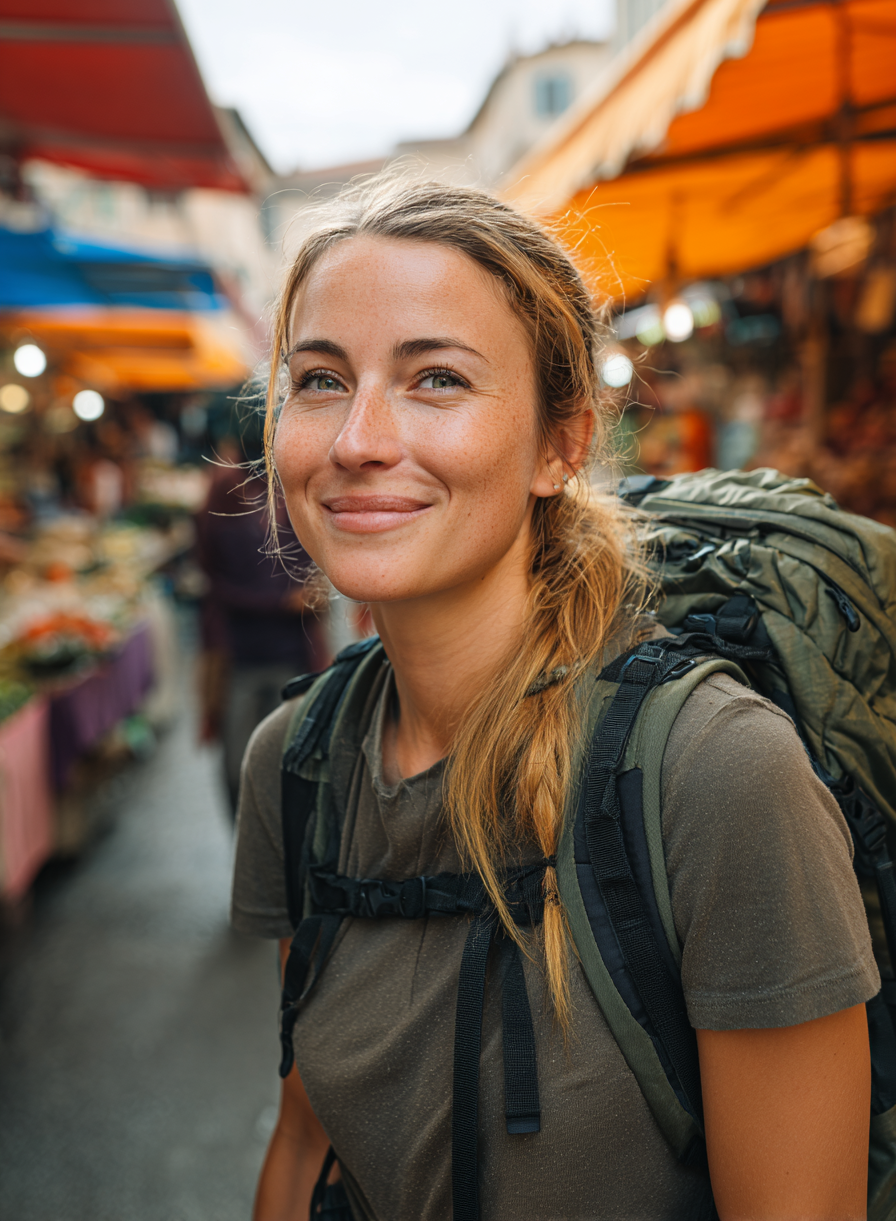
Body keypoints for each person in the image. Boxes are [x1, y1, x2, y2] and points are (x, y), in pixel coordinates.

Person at [231, 177, 879, 1220]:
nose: (356, 439)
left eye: (434, 378)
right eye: (317, 380)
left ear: (559, 445)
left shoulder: (716, 778)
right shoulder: (296, 761)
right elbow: (310, 1137)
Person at [196, 441, 327, 816]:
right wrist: (279, 602)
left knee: (294, 762)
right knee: (240, 767)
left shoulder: (296, 487)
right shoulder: (226, 493)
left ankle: (283, 852)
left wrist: (312, 593)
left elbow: (315, 559)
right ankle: (251, 849)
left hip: (294, 654)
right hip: (240, 655)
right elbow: (214, 581)